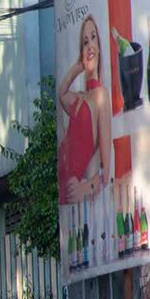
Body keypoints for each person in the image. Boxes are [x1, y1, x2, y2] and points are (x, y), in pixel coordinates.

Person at [57, 13, 114, 205]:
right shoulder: (79, 97)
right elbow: (61, 93)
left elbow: (106, 172)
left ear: (99, 46)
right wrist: (79, 66)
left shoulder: (101, 95)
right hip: (64, 192)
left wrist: (86, 187)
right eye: (85, 41)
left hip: (80, 197)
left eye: (93, 37)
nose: (90, 44)